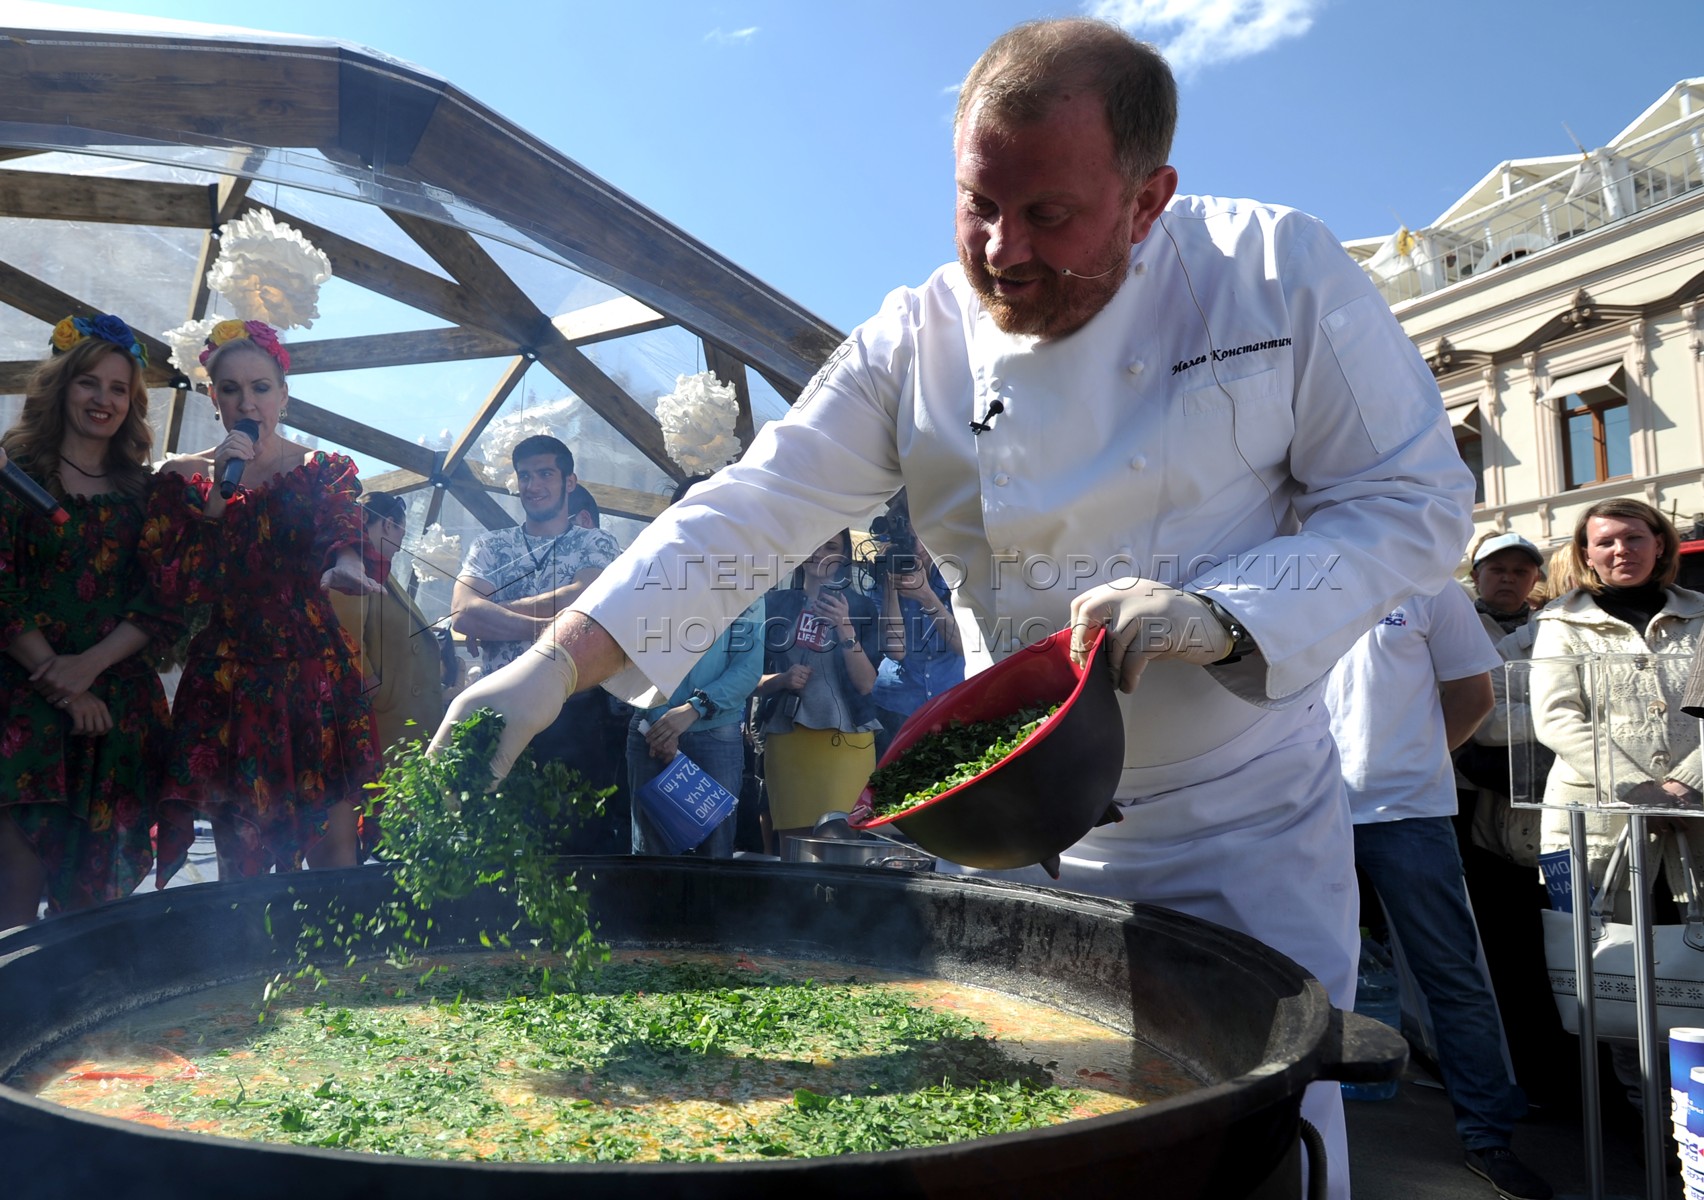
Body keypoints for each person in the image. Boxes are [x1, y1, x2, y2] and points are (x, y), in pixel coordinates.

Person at [431, 19, 1474, 1197]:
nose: (1001, 249)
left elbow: (1414, 502)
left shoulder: (1277, 274)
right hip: (1008, 831)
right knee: (1026, 1138)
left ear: (1148, 200)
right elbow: (752, 509)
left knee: (1254, 1147)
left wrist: (1222, 612)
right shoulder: (914, 339)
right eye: (978, 203)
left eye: (1049, 216)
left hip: (1239, 825)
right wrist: (557, 664)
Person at [1324, 586, 1551, 1199]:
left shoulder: (1429, 589)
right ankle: (1293, 1130)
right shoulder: (1287, 574)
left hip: (1407, 814)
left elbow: (1473, 698)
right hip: (1304, 812)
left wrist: (1414, 760)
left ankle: (1487, 1139)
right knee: (1296, 970)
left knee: (1450, 974)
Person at [144, 319, 380, 882]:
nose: (246, 401)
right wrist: (220, 498)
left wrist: (346, 568)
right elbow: (178, 583)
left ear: (284, 395)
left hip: (312, 673)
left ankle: (337, 967)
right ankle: (252, 964)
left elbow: (340, 534)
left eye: (260, 387)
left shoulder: (323, 470)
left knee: (332, 857)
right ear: (212, 398)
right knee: (241, 870)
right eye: (231, 389)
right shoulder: (182, 479)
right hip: (228, 683)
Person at [0, 315, 178, 927]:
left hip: (118, 707)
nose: (103, 399)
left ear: (133, 402)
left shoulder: (145, 492)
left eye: (119, 388)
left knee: (96, 903)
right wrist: (60, 681)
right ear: (61, 385)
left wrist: (89, 669)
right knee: (14, 882)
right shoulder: (10, 470)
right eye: (88, 383)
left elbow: (162, 600)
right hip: (22, 700)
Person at [451, 435, 626, 848]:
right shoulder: (491, 546)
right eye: (525, 476)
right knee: (497, 844)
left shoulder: (595, 542)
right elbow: (463, 613)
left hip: (575, 712)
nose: (533, 485)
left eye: (545, 473)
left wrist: (496, 613)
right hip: (498, 710)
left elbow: (582, 599)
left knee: (580, 843)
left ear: (569, 481)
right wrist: (556, 628)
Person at [628, 478, 764, 857]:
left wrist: (692, 710)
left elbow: (748, 668)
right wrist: (660, 723)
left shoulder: (747, 579)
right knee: (651, 854)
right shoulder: (646, 573)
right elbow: (631, 657)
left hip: (714, 735)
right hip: (649, 731)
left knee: (715, 853)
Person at [752, 530, 882, 849]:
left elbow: (867, 684)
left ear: (844, 558)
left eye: (831, 546)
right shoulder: (774, 604)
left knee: (842, 845)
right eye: (814, 542)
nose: (819, 552)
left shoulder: (862, 607)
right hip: (787, 738)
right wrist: (781, 680)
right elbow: (744, 680)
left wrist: (845, 627)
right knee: (793, 847)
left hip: (848, 741)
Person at [329, 492, 445, 758]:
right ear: (388, 524)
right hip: (384, 721)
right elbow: (344, 631)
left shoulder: (379, 571)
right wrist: (370, 683)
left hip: (398, 717)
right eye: (401, 530)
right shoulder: (353, 565)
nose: (402, 539)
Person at [872, 527, 964, 758]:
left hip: (950, 701)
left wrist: (926, 595)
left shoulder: (956, 577)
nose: (917, 548)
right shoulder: (883, 577)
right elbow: (895, 650)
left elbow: (964, 646)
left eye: (923, 536)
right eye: (910, 540)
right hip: (896, 703)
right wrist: (890, 586)